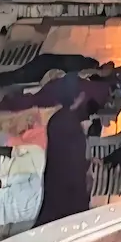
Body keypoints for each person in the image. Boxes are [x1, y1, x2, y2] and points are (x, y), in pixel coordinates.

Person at [33, 75, 92, 227]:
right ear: (76, 97)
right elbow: (74, 166)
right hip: (69, 193)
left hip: (53, 184)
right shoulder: (73, 126)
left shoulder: (56, 118)